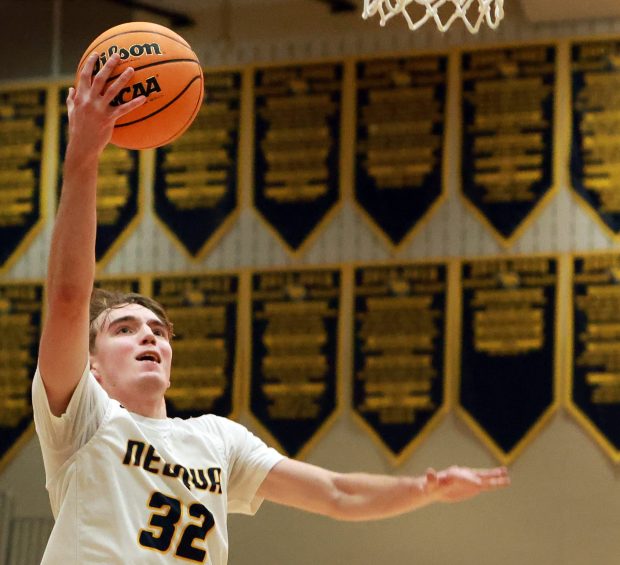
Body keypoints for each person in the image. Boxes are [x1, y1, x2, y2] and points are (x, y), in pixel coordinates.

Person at [32, 52, 510, 565]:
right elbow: (66, 298)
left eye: (158, 330)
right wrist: (84, 152)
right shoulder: (82, 420)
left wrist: (426, 490)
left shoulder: (217, 440)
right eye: (124, 329)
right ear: (93, 366)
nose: (149, 337)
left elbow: (335, 493)